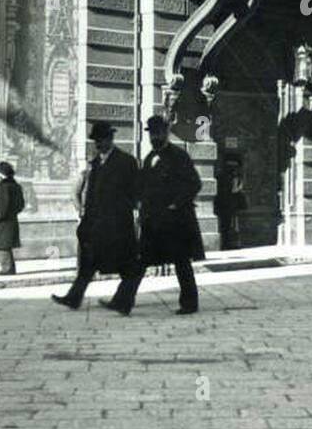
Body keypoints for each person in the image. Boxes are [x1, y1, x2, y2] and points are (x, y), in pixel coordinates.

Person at [106, 114, 206, 316]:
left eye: (158, 132)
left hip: (176, 221)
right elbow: (142, 188)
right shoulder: (149, 158)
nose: (154, 137)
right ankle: (122, 301)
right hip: (154, 222)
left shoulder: (179, 156)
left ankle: (190, 303)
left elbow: (195, 183)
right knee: (140, 261)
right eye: (152, 133)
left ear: (166, 133)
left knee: (181, 262)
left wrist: (175, 204)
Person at [52, 121, 139, 311]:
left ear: (110, 139)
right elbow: (90, 195)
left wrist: (121, 210)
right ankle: (74, 298)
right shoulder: (96, 164)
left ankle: (123, 301)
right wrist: (85, 221)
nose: (98, 144)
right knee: (88, 264)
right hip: (96, 224)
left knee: (127, 266)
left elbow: (135, 192)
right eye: (95, 141)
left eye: (101, 140)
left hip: (118, 225)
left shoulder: (126, 161)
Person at [0, 160, 24, 276]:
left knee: (2, 245)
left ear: (1, 174)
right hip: (11, 220)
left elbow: (2, 206)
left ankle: (7, 268)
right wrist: (12, 213)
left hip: (3, 222)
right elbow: (20, 205)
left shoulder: (4, 187)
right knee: (6, 244)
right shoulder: (15, 185)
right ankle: (9, 267)